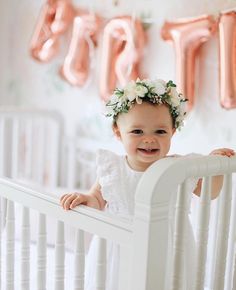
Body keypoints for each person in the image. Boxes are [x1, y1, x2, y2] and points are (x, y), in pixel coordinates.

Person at [60, 78, 235, 290]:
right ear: (118, 132)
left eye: (160, 131)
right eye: (137, 132)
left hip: (170, 246)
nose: (149, 139)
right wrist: (86, 199)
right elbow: (97, 198)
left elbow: (211, 192)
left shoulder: (180, 168)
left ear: (172, 132)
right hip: (119, 246)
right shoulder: (113, 168)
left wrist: (214, 167)